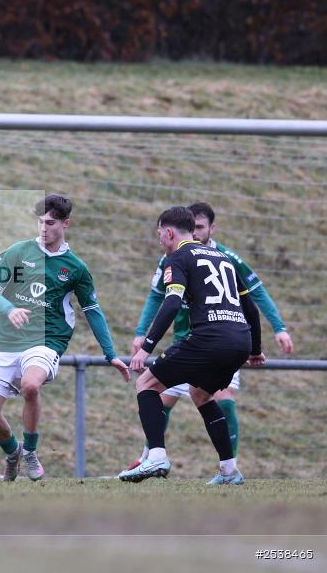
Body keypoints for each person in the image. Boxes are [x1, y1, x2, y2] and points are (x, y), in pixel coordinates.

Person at [124, 202, 292, 471]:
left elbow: (171, 303)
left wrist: (146, 346)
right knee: (201, 394)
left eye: (158, 236)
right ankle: (228, 470)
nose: (159, 242)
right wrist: (255, 348)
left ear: (168, 234)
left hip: (207, 339)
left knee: (146, 383)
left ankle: (154, 459)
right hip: (239, 340)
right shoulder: (223, 257)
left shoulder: (177, 258)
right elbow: (249, 306)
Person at [0, 194, 130, 481]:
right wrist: (9, 310)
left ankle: (31, 452)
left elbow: (92, 311)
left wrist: (110, 354)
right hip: (7, 342)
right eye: (40, 222)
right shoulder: (19, 252)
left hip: (46, 341)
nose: (43, 228)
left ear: (65, 224)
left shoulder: (76, 268)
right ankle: (13, 452)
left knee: (31, 386)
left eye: (50, 223)